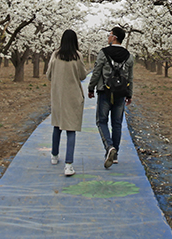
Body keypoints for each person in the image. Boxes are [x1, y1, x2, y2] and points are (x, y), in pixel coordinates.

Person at [87, 26, 134, 169]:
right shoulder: (129, 56)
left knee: (101, 121)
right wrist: (129, 93)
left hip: (105, 91)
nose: (108, 37)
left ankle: (109, 147)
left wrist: (91, 88)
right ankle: (115, 155)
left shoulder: (103, 53)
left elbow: (96, 72)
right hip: (120, 93)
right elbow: (130, 78)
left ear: (114, 37)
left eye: (109, 34)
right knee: (117, 123)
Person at [46, 29, 89, 176]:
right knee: (71, 129)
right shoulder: (77, 56)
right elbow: (83, 75)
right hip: (73, 97)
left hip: (58, 96)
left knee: (57, 126)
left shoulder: (55, 55)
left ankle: (54, 155)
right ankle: (68, 165)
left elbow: (49, 75)